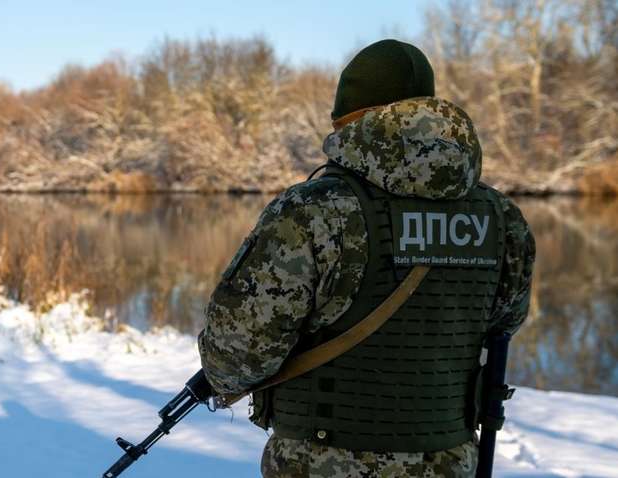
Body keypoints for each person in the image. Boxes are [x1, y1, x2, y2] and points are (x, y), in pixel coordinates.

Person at [197, 39, 536, 477]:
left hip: (322, 463)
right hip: (450, 461)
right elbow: (503, 325)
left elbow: (236, 355)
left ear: (349, 121)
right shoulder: (502, 218)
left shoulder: (315, 210)